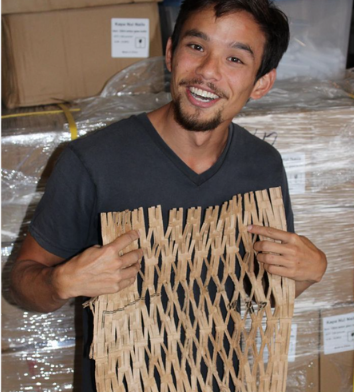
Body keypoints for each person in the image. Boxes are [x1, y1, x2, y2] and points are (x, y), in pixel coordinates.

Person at [9, 0, 327, 390]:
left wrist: (309, 274)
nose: (208, 72)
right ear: (171, 53)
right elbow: (19, 283)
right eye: (197, 47)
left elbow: (261, 291)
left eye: (235, 59)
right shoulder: (92, 162)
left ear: (261, 82)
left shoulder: (262, 166)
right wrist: (62, 282)